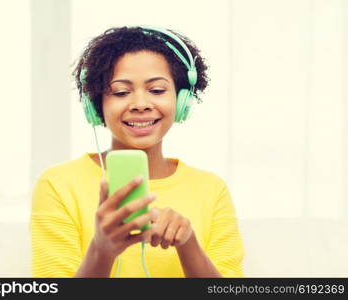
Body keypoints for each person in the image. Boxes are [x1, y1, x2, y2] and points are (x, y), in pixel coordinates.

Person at [30, 26, 244, 278]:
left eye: (156, 90)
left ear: (182, 100)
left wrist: (189, 246)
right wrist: (102, 250)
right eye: (121, 92)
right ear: (96, 105)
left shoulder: (211, 189)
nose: (140, 105)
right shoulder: (58, 184)